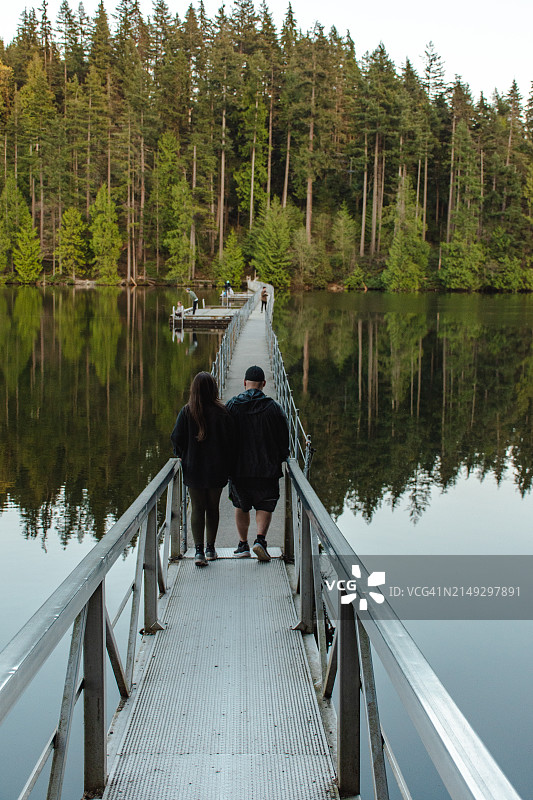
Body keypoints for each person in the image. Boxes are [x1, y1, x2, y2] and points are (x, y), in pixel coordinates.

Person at [226, 365, 289, 562]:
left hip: (239, 468)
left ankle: (242, 544)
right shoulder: (274, 408)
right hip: (266, 469)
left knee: (240, 505)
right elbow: (283, 439)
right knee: (265, 504)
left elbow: (223, 436)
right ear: (264, 384)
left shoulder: (232, 406)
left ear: (244, 383)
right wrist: (281, 457)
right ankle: (260, 540)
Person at [171, 372, 234, 566]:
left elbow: (176, 438)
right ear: (213, 389)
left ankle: (198, 552)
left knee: (197, 507)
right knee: (212, 508)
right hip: (217, 469)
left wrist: (182, 454)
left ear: (194, 389)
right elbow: (230, 441)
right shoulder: (222, 412)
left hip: (193, 468)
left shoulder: (187, 411)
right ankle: (211, 549)